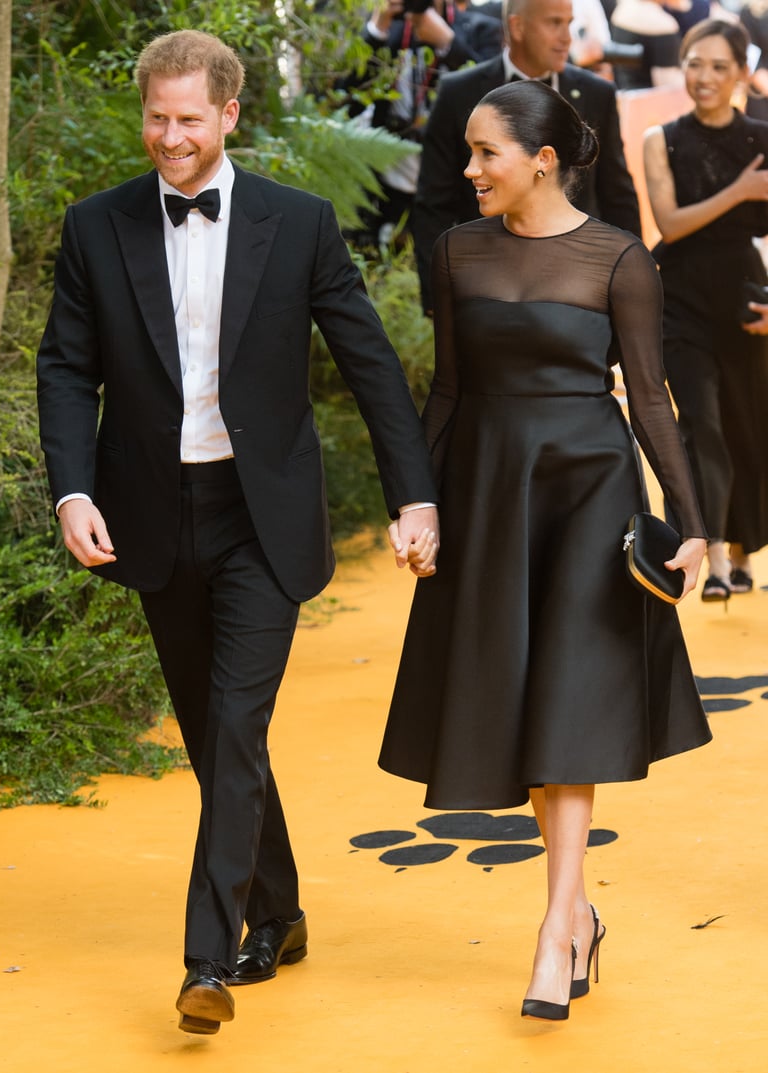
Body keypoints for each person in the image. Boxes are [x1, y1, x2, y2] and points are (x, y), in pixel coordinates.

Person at [36, 29, 439, 1036]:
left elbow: (372, 365)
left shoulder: (297, 224)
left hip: (264, 513)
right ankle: (284, 911)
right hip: (151, 512)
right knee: (219, 736)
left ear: (228, 114)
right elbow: (62, 368)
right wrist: (71, 492)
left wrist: (414, 495)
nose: (168, 138)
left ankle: (207, 957)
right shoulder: (97, 226)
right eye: (155, 118)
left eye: (186, 119)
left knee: (238, 722)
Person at [380, 79, 712, 1021]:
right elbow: (446, 393)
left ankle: (556, 925)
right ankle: (577, 912)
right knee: (529, 703)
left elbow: (650, 400)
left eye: (486, 153)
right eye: (469, 152)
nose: (469, 168)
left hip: (589, 496)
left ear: (543, 159)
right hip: (490, 494)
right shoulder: (455, 250)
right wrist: (421, 502)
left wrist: (691, 523)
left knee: (570, 700)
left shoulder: (619, 260)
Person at [409, 0, 642, 314]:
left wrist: (635, 275)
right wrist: (439, 297)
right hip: (486, 290)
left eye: (569, 23)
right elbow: (432, 205)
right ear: (518, 27)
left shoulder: (596, 93)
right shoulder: (458, 93)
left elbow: (618, 195)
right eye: (554, 23)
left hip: (580, 289)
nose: (567, 37)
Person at [643, 18, 768, 600]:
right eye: (695, 63)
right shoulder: (659, 138)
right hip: (681, 299)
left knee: (747, 427)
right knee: (701, 426)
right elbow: (670, 224)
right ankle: (712, 555)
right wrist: (740, 192)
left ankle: (743, 552)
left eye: (721, 66)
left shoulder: (762, 138)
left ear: (743, 73)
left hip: (748, 296)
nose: (705, 77)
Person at [343, 0, 501, 247]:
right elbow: (346, 99)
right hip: (390, 176)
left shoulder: (480, 29)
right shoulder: (387, 31)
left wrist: (449, 44)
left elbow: (498, 100)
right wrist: (377, 28)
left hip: (456, 179)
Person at [609, 0, 684, 91]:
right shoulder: (662, 24)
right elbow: (667, 82)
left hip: (622, 93)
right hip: (649, 99)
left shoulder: (622, 10)